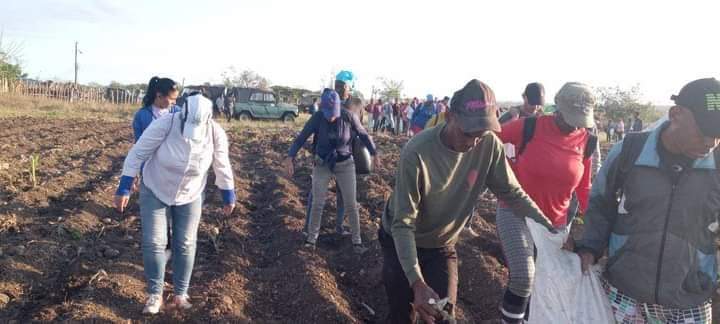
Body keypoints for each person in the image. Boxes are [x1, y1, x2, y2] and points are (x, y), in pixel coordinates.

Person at [379, 79, 554, 324]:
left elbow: (513, 193)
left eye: (481, 134)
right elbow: (403, 223)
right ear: (450, 115)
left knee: (443, 316)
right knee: (402, 315)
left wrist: (550, 229)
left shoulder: (489, 145)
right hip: (401, 240)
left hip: (441, 243)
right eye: (467, 132)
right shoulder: (417, 152)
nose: (473, 141)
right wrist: (417, 282)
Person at [575, 78, 720, 324]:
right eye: (705, 131)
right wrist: (590, 247)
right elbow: (601, 201)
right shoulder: (630, 151)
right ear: (676, 114)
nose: (711, 142)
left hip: (689, 297)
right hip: (625, 291)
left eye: (718, 134)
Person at [114, 93, 236, 314]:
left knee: (186, 243)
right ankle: (155, 294)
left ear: (209, 119)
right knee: (154, 242)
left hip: (190, 193)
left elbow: (222, 164)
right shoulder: (164, 124)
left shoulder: (215, 133)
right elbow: (138, 153)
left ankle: (181, 294)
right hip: (156, 188)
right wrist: (124, 187)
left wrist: (228, 194)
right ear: (182, 114)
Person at [495, 82, 598, 322]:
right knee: (523, 276)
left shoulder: (587, 141)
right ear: (558, 109)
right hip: (516, 212)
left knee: (543, 283)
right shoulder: (529, 126)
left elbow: (584, 188)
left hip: (555, 225)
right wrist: (501, 172)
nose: (573, 125)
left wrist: (595, 229)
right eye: (569, 117)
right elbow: (490, 138)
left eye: (579, 120)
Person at [284, 72, 379, 253]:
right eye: (327, 114)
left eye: (333, 114)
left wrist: (374, 153)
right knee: (318, 201)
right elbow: (301, 138)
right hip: (322, 164)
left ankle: (357, 241)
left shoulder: (348, 116)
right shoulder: (318, 117)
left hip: (345, 163)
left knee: (351, 203)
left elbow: (364, 135)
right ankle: (311, 240)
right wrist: (290, 157)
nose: (330, 118)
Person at [131, 77, 180, 261]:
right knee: (157, 209)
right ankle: (161, 246)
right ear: (159, 96)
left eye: (176, 99)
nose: (174, 103)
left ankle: (172, 243)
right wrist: (135, 173)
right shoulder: (142, 116)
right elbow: (138, 147)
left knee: (173, 206)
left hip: (173, 169)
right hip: (151, 170)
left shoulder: (177, 113)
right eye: (172, 98)